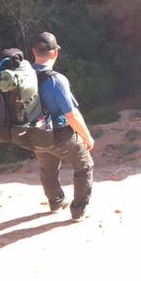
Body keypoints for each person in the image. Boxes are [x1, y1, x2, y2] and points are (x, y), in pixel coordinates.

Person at [32, 32, 95, 221]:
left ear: (34, 51)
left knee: (47, 168)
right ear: (55, 53)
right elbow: (72, 115)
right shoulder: (56, 80)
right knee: (85, 166)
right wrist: (87, 137)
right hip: (60, 135)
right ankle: (78, 211)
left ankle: (56, 202)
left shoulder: (25, 76)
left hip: (35, 134)